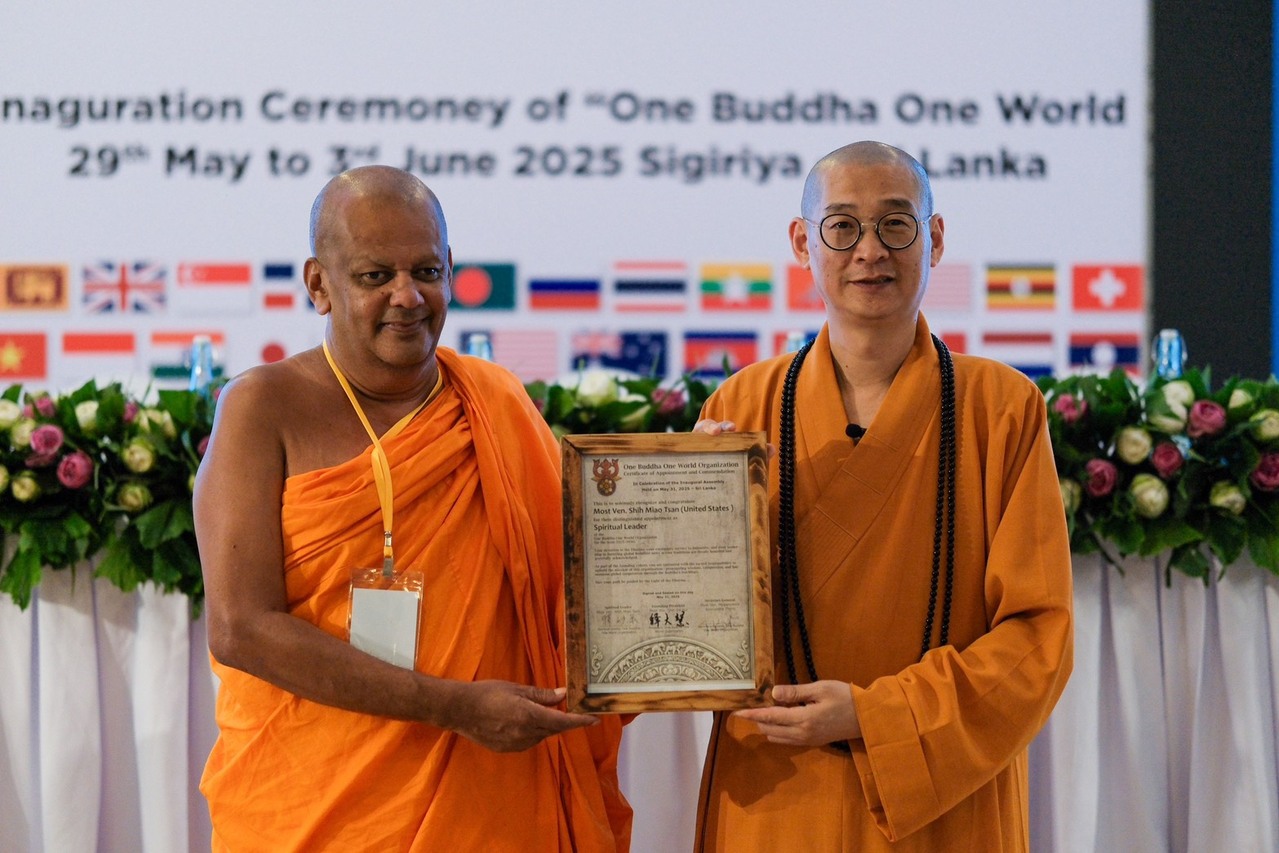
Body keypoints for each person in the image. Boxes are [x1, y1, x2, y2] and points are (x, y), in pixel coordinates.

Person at [193, 165, 631, 851]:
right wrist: (453, 706)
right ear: (318, 284)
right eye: (375, 276)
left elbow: (585, 581)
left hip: (485, 798)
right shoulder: (263, 407)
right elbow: (240, 628)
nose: (407, 296)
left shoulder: (494, 401)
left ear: (450, 269)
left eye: (426, 271)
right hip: (318, 801)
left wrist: (705, 501)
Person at [691, 141, 1073, 851]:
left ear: (934, 238)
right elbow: (697, 628)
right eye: (842, 227)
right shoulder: (740, 408)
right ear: (802, 243)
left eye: (895, 224)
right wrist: (693, 517)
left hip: (940, 787)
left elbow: (1038, 636)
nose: (870, 251)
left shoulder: (1001, 408)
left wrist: (875, 716)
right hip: (776, 785)